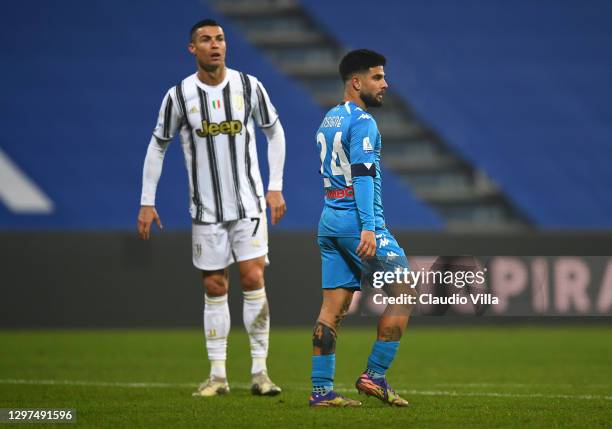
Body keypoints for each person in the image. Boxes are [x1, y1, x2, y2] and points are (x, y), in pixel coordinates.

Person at [137, 19, 286, 397]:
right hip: (205, 210)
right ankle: (218, 375)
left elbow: (274, 131)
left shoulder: (249, 86)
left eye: (220, 38)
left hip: (249, 204)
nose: (215, 45)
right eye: (206, 40)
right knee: (214, 284)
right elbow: (158, 145)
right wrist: (146, 200)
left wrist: (275, 187)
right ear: (193, 49)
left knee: (253, 278)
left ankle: (260, 372)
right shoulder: (179, 96)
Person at [309, 49, 412, 407]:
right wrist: (369, 227)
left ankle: (321, 390)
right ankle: (375, 375)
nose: (385, 84)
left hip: (329, 221)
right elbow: (364, 175)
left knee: (333, 309)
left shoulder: (329, 119)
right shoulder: (364, 122)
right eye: (377, 77)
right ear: (356, 82)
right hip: (358, 222)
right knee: (405, 289)